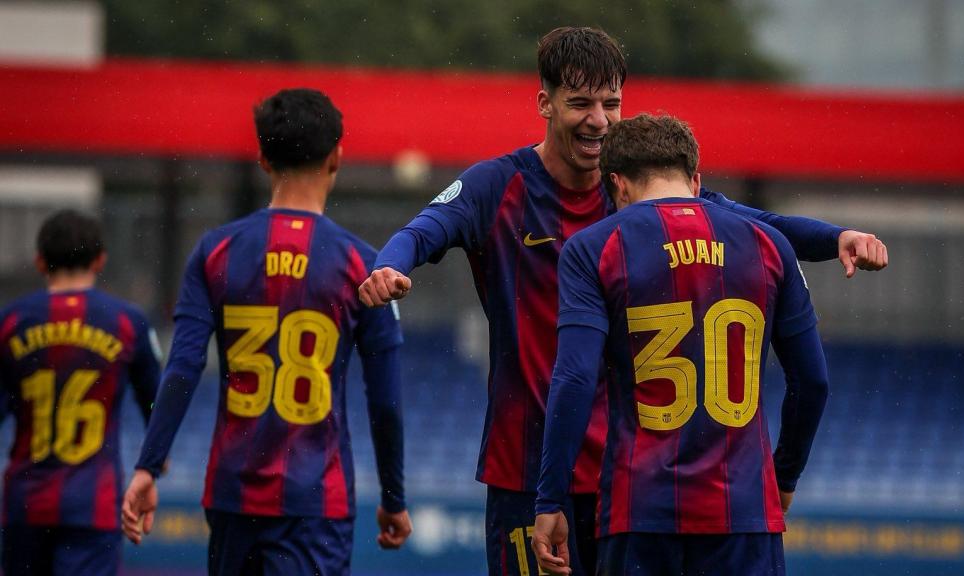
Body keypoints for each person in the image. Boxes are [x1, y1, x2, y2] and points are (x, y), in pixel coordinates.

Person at [358, 27, 882, 576]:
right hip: (532, 472)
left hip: (628, 477)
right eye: (580, 103)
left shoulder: (643, 199)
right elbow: (425, 228)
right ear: (545, 103)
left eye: (611, 103)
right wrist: (390, 265)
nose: (599, 120)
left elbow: (764, 224)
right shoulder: (499, 185)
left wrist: (835, 238)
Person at [121, 88, 412, 575]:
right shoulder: (363, 264)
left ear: (261, 158)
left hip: (232, 495)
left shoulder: (215, 252)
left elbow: (183, 366)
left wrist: (149, 466)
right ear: (337, 155)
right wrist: (393, 497)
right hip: (315, 502)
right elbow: (385, 397)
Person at [531, 114, 829, 575]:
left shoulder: (595, 247)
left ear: (618, 185)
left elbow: (574, 378)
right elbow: (812, 382)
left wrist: (550, 498)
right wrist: (784, 474)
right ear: (695, 179)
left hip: (641, 513)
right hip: (744, 511)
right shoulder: (769, 244)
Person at [0, 209, 161, 576]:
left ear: (40, 262)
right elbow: (156, 401)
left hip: (25, 501)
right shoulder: (125, 321)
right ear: (100, 259)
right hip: (94, 502)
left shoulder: (11, 321)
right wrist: (155, 464)